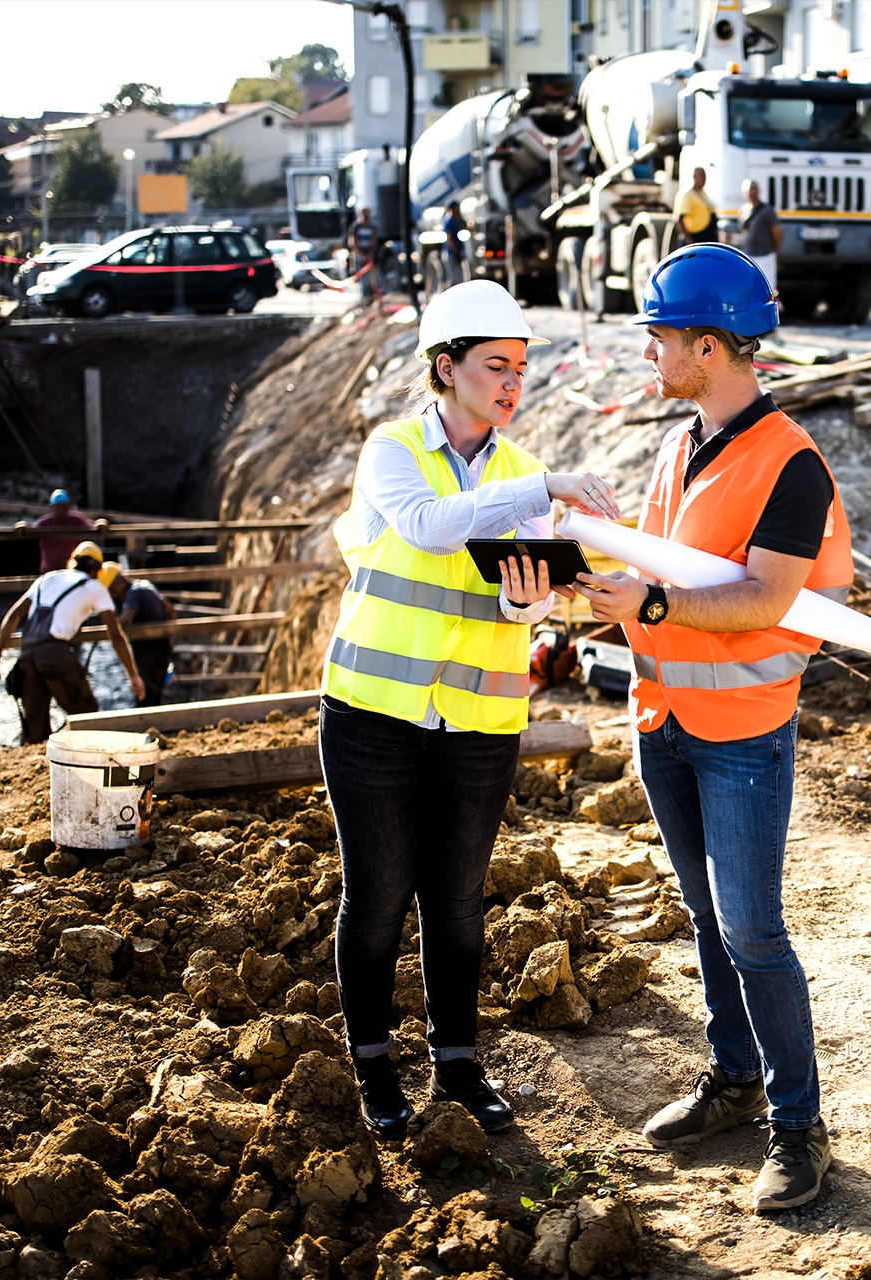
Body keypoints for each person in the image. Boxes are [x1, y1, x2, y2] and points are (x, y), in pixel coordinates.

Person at [575, 244, 851, 1214]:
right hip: (666, 719)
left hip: (740, 734)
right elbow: (663, 569)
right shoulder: (677, 443)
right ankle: (731, 1076)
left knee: (755, 931)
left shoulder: (793, 464)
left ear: (707, 342)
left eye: (658, 337)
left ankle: (798, 1124)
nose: (648, 353)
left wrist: (644, 605)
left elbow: (761, 596)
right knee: (706, 918)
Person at [320, 278, 622, 1141]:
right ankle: (375, 1067)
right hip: (374, 717)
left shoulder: (524, 474)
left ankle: (458, 1065)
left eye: (521, 367)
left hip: (481, 725)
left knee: (457, 902)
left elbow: (516, 602)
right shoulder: (393, 452)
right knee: (376, 898)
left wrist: (532, 602)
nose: (512, 383)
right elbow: (427, 529)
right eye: (496, 366)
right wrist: (546, 490)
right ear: (446, 368)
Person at [0, 540, 145, 744]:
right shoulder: (94, 588)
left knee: (34, 728)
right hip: (55, 654)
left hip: (28, 656)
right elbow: (115, 635)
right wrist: (133, 676)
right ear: (97, 570)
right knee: (86, 714)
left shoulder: (47, 579)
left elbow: (14, 615)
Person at [99, 562, 177, 706]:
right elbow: (171, 610)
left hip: (146, 652)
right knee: (155, 694)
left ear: (118, 583)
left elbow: (127, 618)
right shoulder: (146, 585)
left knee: (143, 695)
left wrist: (112, 624)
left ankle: (146, 726)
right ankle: (156, 725)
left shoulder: (133, 593)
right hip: (161, 649)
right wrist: (169, 639)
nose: (111, 595)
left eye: (110, 590)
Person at [28, 489, 96, 574]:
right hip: (49, 573)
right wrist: (21, 526)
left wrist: (102, 523)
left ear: (68, 508)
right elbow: (30, 529)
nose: (60, 511)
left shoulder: (76, 520)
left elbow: (93, 526)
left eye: (63, 507)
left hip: (71, 572)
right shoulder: (45, 522)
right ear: (52, 508)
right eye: (57, 507)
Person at [739, 179, 781, 291]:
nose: (752, 192)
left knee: (768, 288)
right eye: (749, 189)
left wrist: (773, 251)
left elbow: (777, 232)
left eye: (754, 188)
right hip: (749, 256)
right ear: (744, 192)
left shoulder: (767, 210)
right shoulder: (743, 211)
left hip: (765, 255)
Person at [675, 167, 717, 246]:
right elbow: (679, 219)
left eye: (704, 176)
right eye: (700, 176)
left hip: (706, 236)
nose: (703, 179)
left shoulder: (703, 194)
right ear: (694, 177)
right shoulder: (688, 195)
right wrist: (688, 239)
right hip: (695, 237)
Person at [348, 207, 380, 299]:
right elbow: (352, 242)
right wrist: (361, 254)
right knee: (363, 280)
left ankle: (373, 298)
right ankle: (365, 299)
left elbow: (374, 240)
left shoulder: (372, 227)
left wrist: (370, 253)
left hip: (369, 254)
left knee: (374, 279)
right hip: (359, 254)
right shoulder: (356, 226)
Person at [441, 201, 467, 291]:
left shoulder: (456, 220)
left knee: (457, 277)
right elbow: (450, 239)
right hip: (452, 253)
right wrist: (456, 252)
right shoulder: (450, 221)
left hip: (454, 252)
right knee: (454, 278)